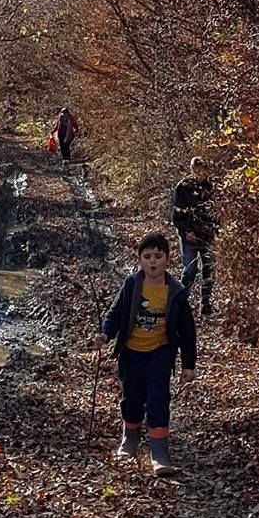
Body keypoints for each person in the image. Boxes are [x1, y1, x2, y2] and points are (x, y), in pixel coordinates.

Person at [94, 232, 196, 476]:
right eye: (147, 256)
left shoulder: (176, 292)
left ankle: (159, 452)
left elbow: (187, 331)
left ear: (168, 260)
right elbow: (115, 313)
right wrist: (105, 334)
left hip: (160, 352)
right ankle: (130, 439)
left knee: (158, 398)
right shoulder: (131, 285)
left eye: (158, 256)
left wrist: (188, 364)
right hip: (131, 352)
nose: (153, 262)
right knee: (131, 396)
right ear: (139, 259)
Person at [171, 156, 218, 317]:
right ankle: (181, 302)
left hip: (208, 234)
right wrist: (187, 231)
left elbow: (219, 212)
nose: (199, 172)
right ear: (191, 169)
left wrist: (217, 230)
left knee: (209, 269)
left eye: (202, 168)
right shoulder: (183, 187)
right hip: (189, 236)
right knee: (190, 269)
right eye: (196, 169)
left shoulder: (213, 186)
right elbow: (177, 214)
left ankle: (205, 305)